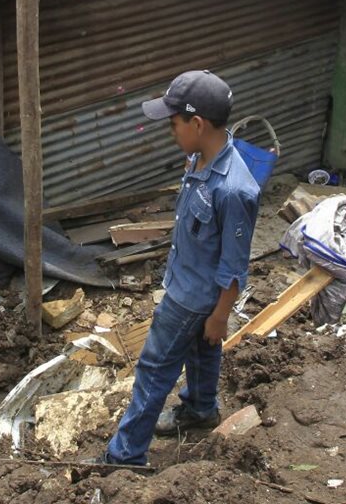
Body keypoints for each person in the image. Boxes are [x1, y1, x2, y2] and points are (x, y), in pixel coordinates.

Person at [102, 70, 260, 466]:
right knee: (202, 351)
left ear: (197, 123)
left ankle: (125, 457)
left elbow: (235, 264)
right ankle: (201, 410)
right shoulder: (199, 156)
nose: (170, 131)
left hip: (192, 298)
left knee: (153, 370)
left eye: (173, 123)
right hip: (189, 282)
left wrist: (221, 315)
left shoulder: (234, 189)